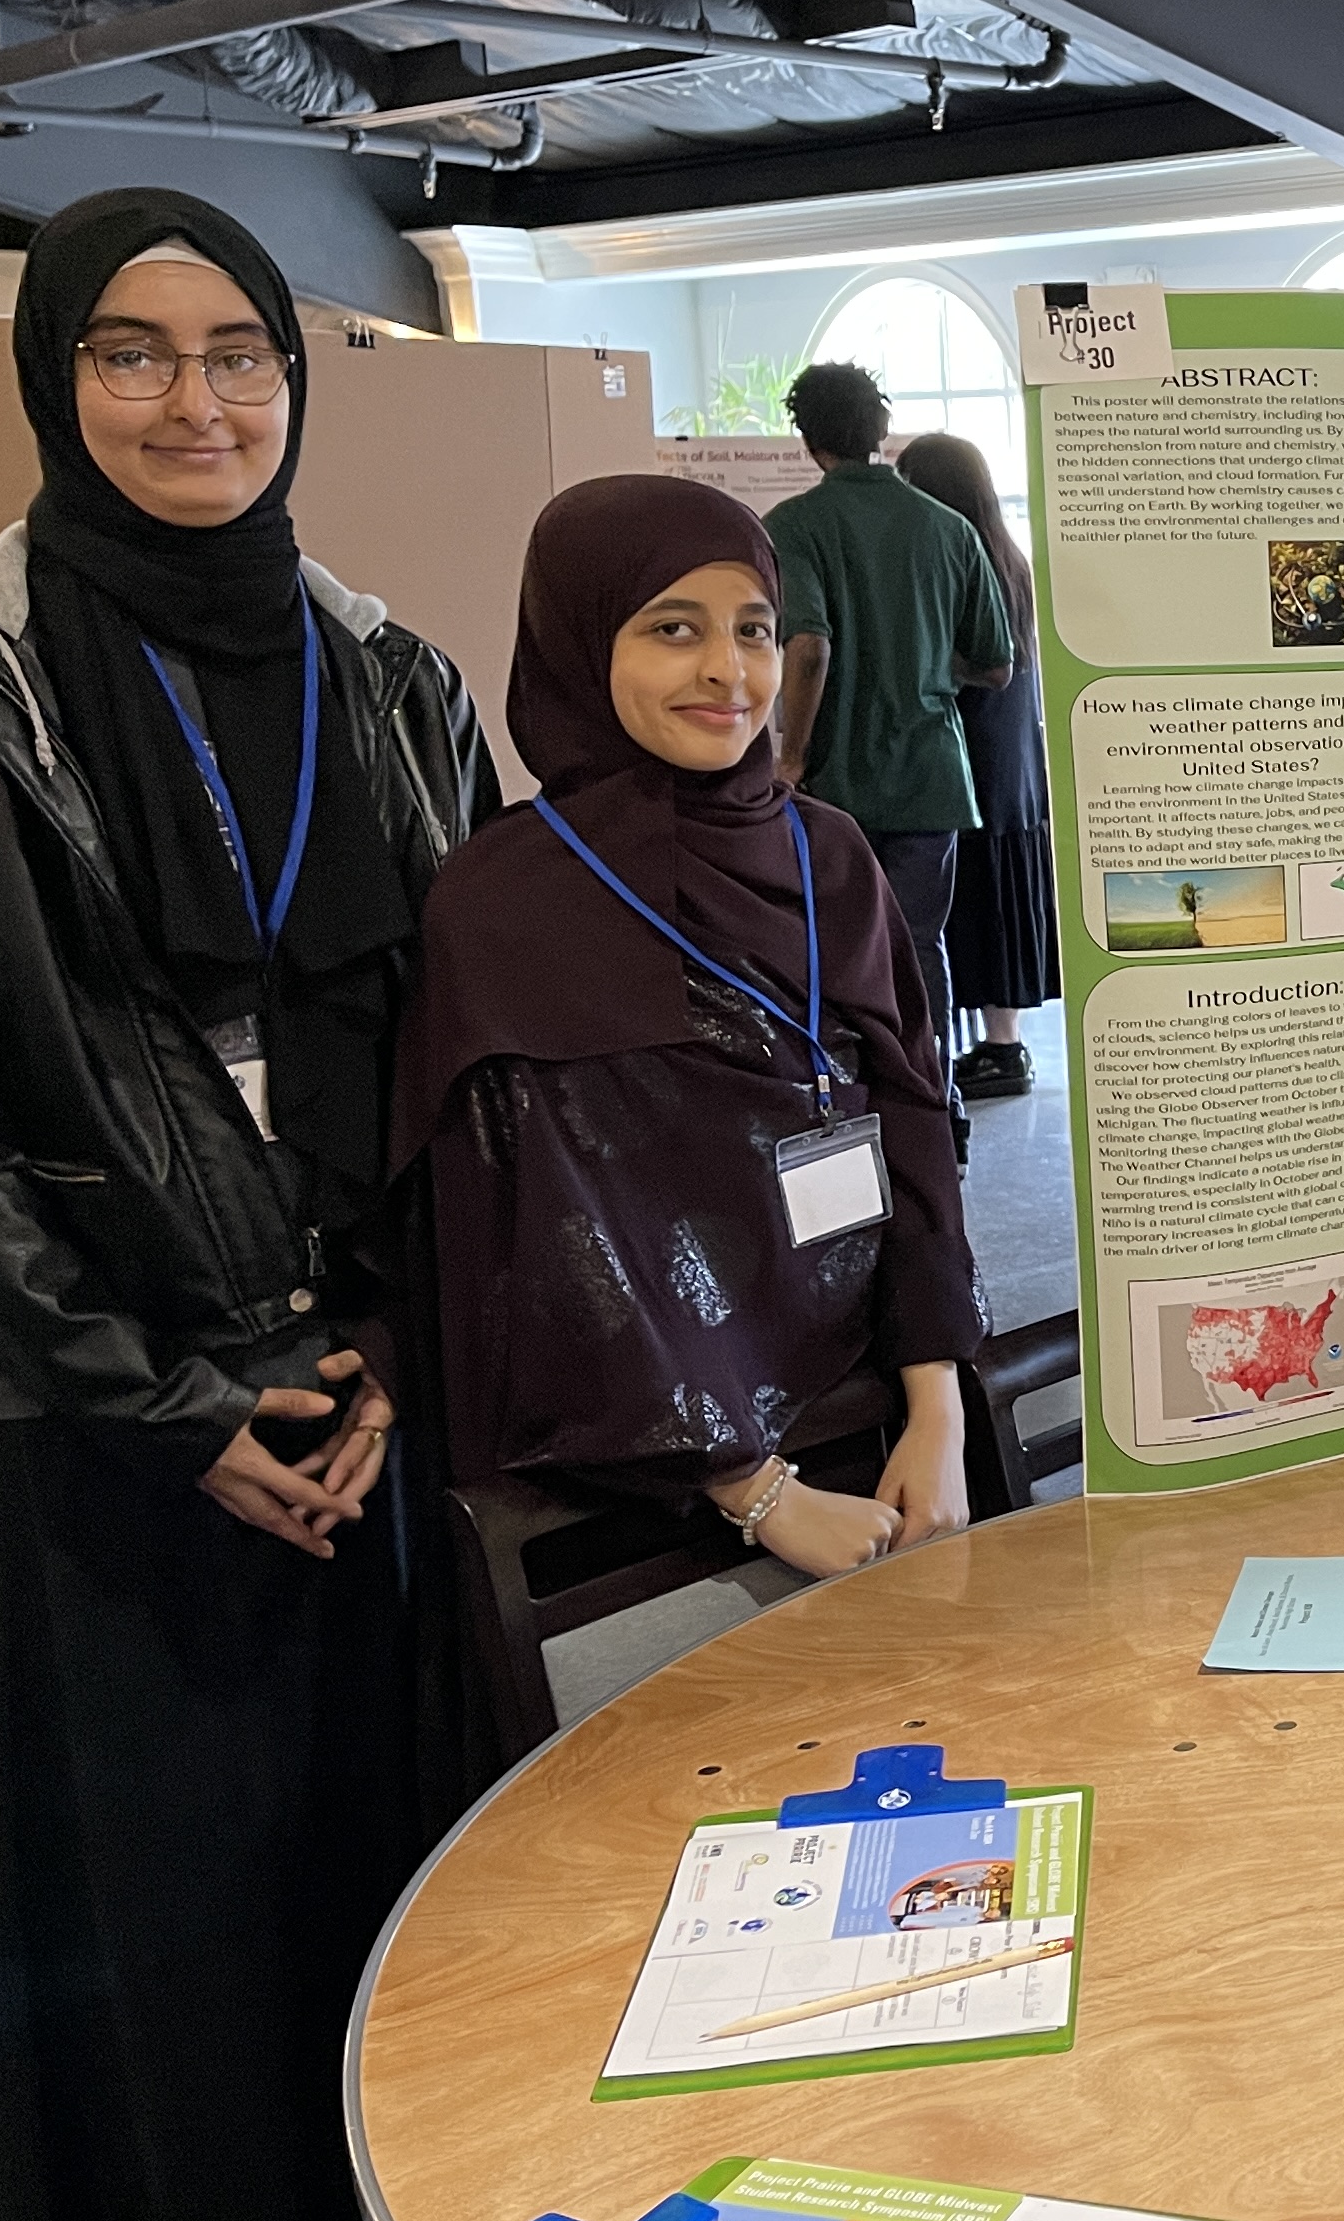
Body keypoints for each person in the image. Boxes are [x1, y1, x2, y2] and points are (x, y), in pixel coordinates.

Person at [0, 185, 500, 2221]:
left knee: (385, 1912)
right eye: (131, 350)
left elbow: (464, 1057)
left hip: (354, 1405)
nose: (192, 400)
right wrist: (159, 1401)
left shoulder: (390, 672)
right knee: (143, 1958)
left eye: (238, 354)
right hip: (77, 1423)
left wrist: (391, 1334)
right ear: (52, 374)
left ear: (295, 378)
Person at [390, 475, 981, 1580]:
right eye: (674, 629)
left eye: (754, 630)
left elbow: (913, 1117)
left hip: (872, 1416)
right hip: (642, 1483)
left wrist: (935, 1397)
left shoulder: (827, 854)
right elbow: (552, 1238)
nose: (729, 671)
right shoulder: (509, 899)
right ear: (578, 640)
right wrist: (755, 1494)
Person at [767, 363, 1013, 1148]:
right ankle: (932, 1117)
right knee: (919, 950)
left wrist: (791, 758)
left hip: (837, 783)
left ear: (807, 438)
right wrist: (929, 666)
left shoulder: (795, 525)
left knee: (834, 955)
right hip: (929, 780)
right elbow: (997, 663)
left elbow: (808, 645)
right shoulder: (950, 528)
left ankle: (855, 1119)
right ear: (881, 430)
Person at [895, 430, 1055, 1101]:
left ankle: (997, 1049)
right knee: (1000, 889)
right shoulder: (1007, 554)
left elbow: (971, 663)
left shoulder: (956, 555)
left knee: (974, 895)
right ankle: (1003, 1043)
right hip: (1014, 753)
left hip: (975, 750)